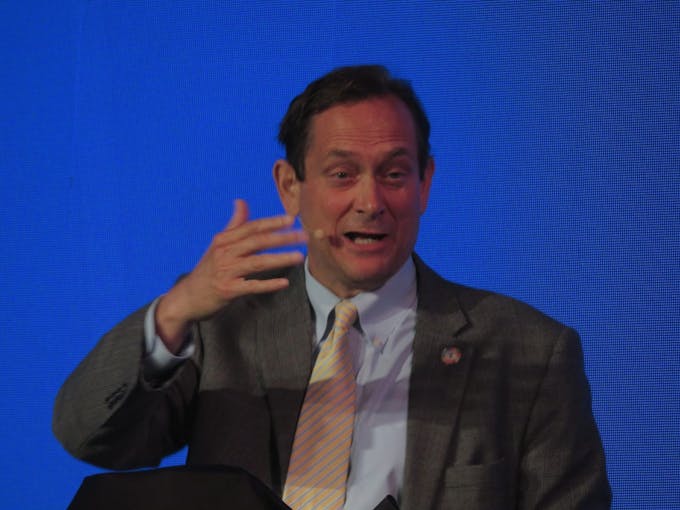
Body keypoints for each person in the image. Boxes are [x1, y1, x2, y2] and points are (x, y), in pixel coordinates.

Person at [53, 65, 611, 509]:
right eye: (342, 174)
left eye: (394, 173)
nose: (370, 201)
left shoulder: (530, 351)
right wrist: (173, 314)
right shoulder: (223, 320)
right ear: (290, 187)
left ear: (425, 184)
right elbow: (90, 438)